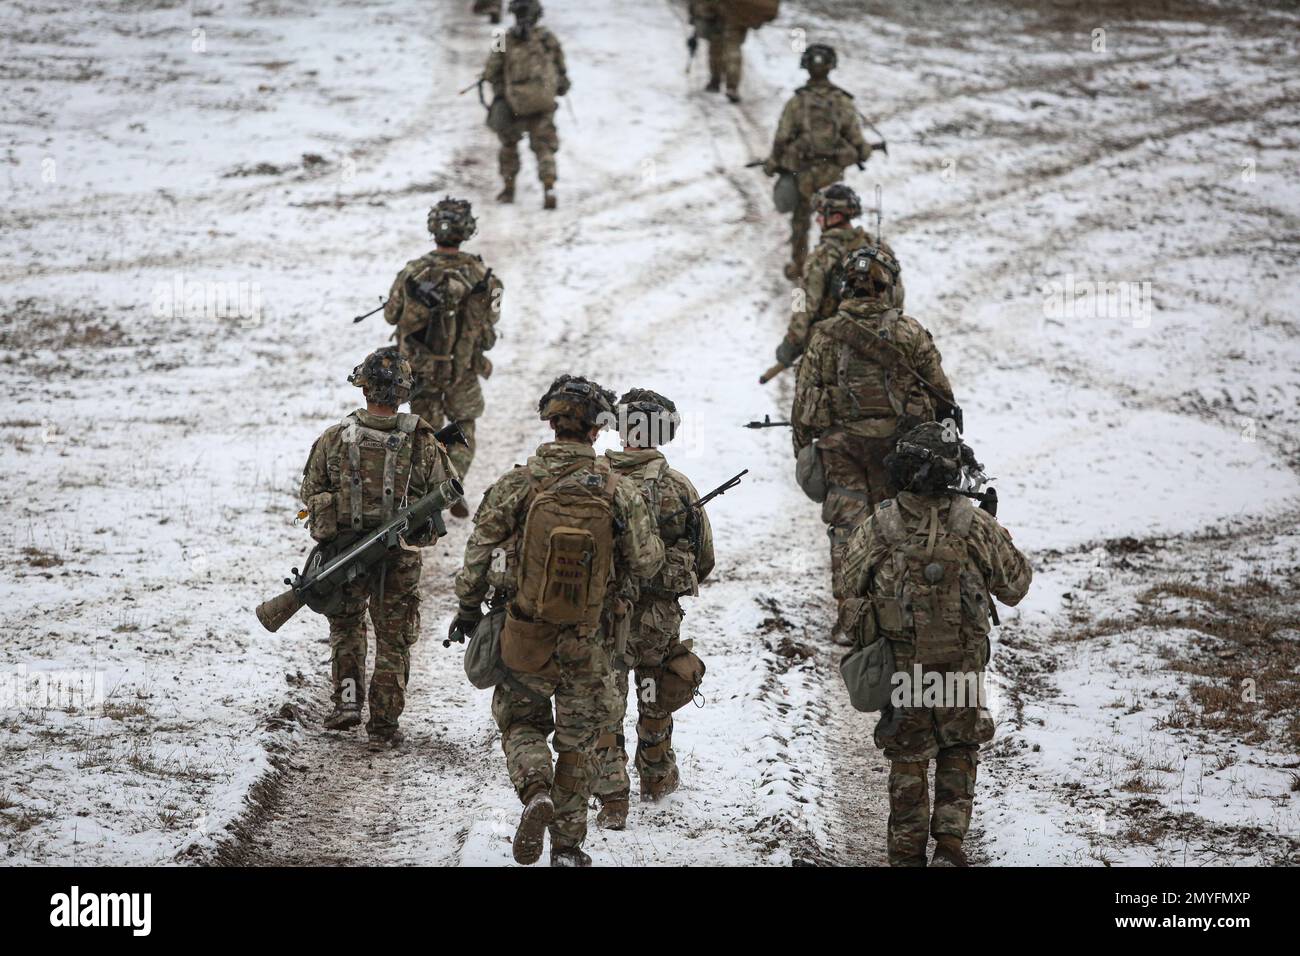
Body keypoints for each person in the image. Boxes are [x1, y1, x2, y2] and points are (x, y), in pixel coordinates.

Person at [450, 375, 664, 866]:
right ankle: (568, 847)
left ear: (551, 422)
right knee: (579, 741)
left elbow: (478, 549)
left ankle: (534, 792)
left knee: (521, 722)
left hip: (524, 632)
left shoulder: (519, 483)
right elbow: (648, 561)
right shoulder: (619, 490)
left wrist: (468, 606)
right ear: (597, 431)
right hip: (591, 639)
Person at [842, 423, 1031, 865]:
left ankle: (906, 855)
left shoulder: (880, 525)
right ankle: (949, 847)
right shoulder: (975, 523)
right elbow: (1015, 586)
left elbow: (850, 583)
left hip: (904, 666)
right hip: (962, 664)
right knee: (958, 749)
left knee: (908, 759)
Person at [791, 245, 958, 640]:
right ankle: (900, 613)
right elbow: (943, 397)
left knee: (847, 531)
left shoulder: (824, 336)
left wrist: (803, 452)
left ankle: (851, 620)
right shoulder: (909, 331)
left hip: (841, 450)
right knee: (897, 527)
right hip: (900, 454)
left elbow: (803, 404)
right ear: (888, 287)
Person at [299, 348, 459, 749]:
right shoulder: (422, 441)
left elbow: (311, 492)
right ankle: (383, 726)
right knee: (394, 639)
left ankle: (347, 703)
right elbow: (447, 491)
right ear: (404, 391)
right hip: (399, 557)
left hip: (342, 553)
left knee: (347, 627)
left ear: (364, 387)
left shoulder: (334, 438)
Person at [590, 389, 715, 829]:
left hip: (602, 615)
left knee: (606, 699)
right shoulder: (678, 487)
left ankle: (610, 796)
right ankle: (657, 776)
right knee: (652, 692)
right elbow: (704, 560)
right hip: (656, 619)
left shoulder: (593, 479)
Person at [383, 197, 502, 512]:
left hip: (420, 370)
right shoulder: (481, 274)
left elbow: (392, 315)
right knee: (464, 426)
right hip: (462, 369)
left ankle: (427, 492)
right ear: (468, 230)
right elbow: (489, 325)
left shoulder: (414, 271)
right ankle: (453, 480)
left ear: (433, 228)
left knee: (425, 433)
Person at [763, 44, 882, 279]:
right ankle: (837, 269)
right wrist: (864, 152)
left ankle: (799, 266)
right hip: (832, 172)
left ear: (806, 67)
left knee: (801, 219)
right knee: (835, 221)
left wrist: (773, 163)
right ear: (831, 67)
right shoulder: (843, 102)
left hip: (803, 172)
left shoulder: (797, 102)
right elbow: (857, 139)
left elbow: (782, 137)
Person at [774, 183, 904, 369]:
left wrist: (791, 341)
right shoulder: (880, 248)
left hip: (836, 349)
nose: (817, 220)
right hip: (882, 345)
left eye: (820, 215)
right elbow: (898, 296)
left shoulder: (821, 257)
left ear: (835, 217)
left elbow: (803, 303)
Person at [483, 0, 570, 208]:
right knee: (544, 146)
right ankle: (549, 185)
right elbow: (562, 72)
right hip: (542, 103)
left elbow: (490, 71)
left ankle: (509, 187)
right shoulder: (548, 38)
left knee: (509, 145)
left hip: (513, 105)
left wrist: (502, 91)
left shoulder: (501, 38)